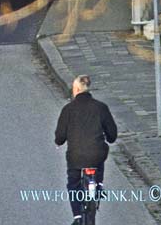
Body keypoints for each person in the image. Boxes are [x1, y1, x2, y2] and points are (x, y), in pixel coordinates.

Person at [55, 75, 117, 225]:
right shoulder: (101, 107)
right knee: (98, 156)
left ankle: (77, 216)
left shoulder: (68, 109)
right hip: (96, 156)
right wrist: (108, 138)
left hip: (76, 157)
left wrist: (58, 142)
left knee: (73, 183)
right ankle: (99, 184)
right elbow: (112, 135)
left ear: (76, 89)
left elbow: (60, 136)